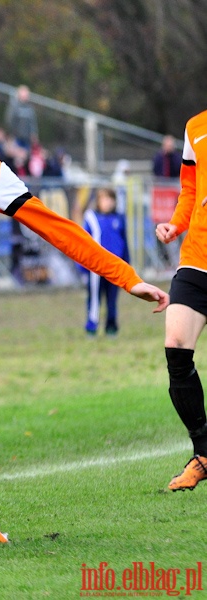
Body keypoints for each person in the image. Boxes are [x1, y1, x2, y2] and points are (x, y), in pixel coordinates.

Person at [156, 109, 207, 491]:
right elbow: (191, 188)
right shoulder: (195, 126)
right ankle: (203, 454)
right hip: (197, 257)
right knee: (176, 346)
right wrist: (177, 222)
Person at [81, 187, 130, 336]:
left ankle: (111, 326)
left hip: (114, 266)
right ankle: (91, 326)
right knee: (94, 298)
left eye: (110, 199)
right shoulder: (91, 218)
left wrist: (127, 264)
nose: (107, 203)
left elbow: (124, 243)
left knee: (112, 299)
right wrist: (83, 269)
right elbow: (83, 244)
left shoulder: (119, 218)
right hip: (95, 268)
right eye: (104, 199)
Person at [4, 84, 38, 150]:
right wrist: (12, 133)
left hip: (26, 138)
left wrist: (34, 134)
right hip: (16, 137)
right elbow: (10, 120)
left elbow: (32, 122)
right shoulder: (14, 106)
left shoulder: (30, 108)